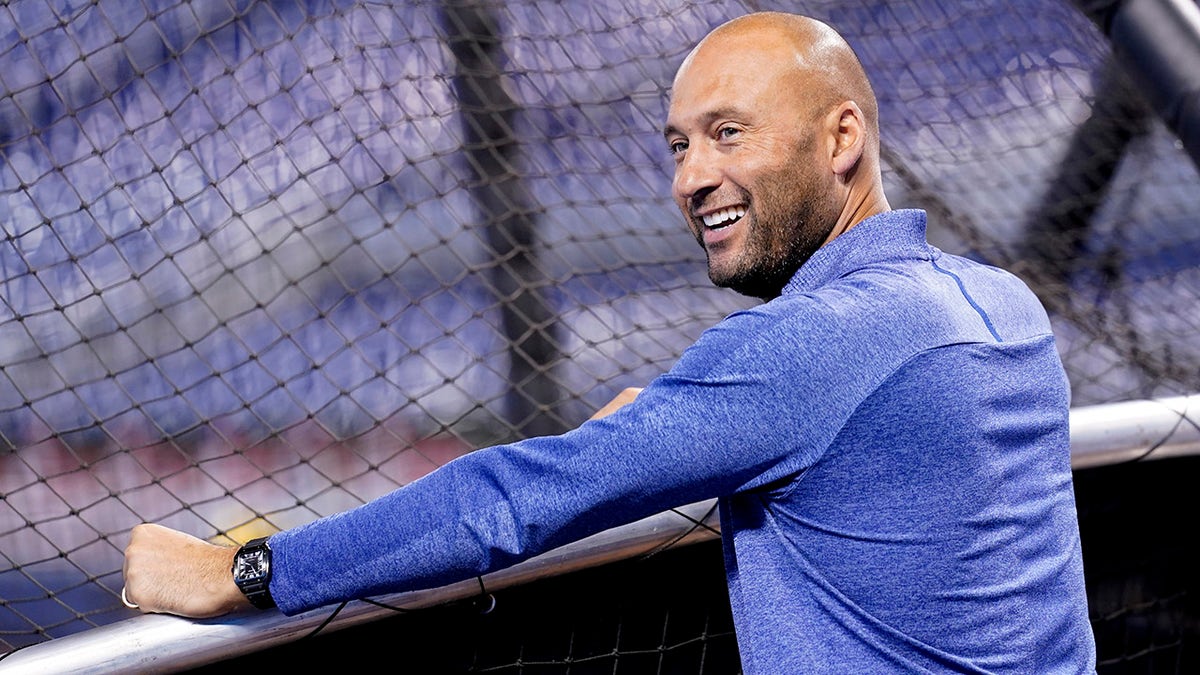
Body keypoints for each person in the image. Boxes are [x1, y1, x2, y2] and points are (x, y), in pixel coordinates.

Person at [123, 11, 1097, 672]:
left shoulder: (809, 349)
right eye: (680, 145)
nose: (690, 178)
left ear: (840, 140)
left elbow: (504, 505)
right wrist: (671, 428)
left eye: (727, 133)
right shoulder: (1002, 306)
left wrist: (243, 570)